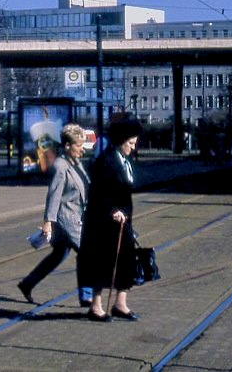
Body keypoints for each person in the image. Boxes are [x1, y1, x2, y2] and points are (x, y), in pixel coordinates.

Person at [17, 124, 92, 306]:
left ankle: (28, 284)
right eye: (78, 145)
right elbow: (54, 195)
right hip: (67, 220)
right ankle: (87, 296)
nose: (82, 149)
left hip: (76, 217)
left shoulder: (77, 163)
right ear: (67, 145)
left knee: (58, 255)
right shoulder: (60, 166)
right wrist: (48, 222)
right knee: (88, 253)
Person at [78, 118, 143, 322]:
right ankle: (96, 307)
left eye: (135, 143)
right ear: (121, 140)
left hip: (124, 221)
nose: (133, 147)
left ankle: (120, 304)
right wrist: (113, 210)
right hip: (103, 222)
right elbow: (99, 191)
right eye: (131, 143)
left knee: (125, 262)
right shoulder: (106, 161)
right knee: (101, 262)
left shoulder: (125, 161)